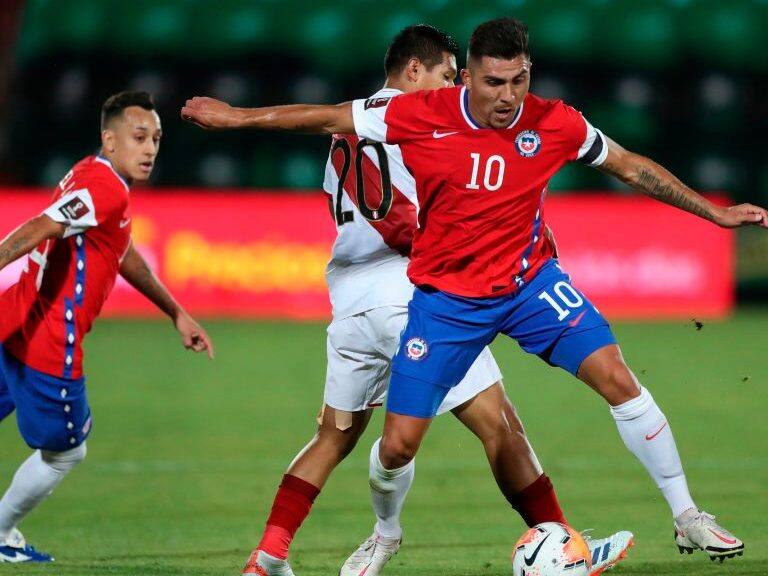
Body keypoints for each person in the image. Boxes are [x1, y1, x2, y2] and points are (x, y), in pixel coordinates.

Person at [182, 17, 761, 563]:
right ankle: (386, 532)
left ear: (529, 73)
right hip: (448, 301)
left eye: (518, 81)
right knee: (397, 446)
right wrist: (235, 119)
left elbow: (631, 167)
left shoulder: (555, 121)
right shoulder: (421, 112)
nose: (507, 96)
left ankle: (686, 515)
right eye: (493, 82)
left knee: (616, 377)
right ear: (467, 77)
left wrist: (713, 213)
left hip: (528, 284)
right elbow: (326, 117)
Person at [0, 91, 214, 563]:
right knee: (67, 451)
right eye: (139, 137)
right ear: (110, 140)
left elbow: (121, 251)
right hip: (48, 343)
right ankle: (1, 532)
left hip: (12, 320)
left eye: (155, 138)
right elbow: (40, 226)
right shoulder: (107, 189)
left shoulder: (91, 173)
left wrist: (175, 311)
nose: (150, 148)